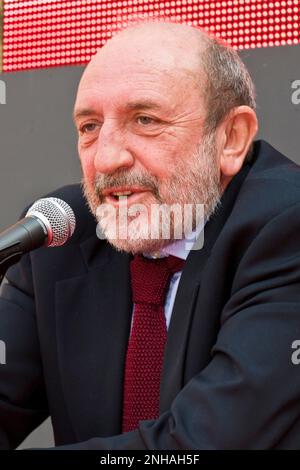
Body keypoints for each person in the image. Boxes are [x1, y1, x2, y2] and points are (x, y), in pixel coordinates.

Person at [0, 20, 300, 450]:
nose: (106, 158)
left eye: (144, 119)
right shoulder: (59, 235)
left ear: (231, 139)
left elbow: (197, 445)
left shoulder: (287, 225)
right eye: (89, 127)